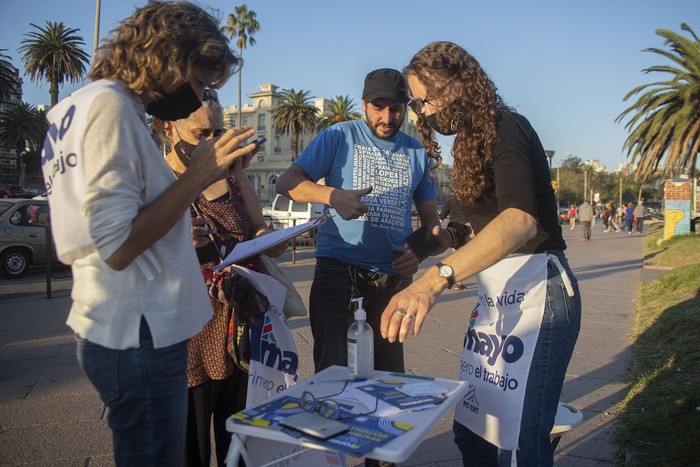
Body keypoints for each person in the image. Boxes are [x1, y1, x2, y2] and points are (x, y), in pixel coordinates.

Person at [40, 3, 257, 465]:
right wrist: (196, 177)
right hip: (138, 332)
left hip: (119, 325)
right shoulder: (110, 107)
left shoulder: (77, 108)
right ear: (168, 58)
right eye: (198, 83)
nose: (199, 98)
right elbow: (116, 246)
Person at [380, 42, 581, 467]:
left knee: (517, 443)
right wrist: (423, 248)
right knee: (474, 432)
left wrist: (436, 280)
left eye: (425, 98)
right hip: (498, 300)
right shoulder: (468, 144)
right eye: (418, 103)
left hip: (538, 294)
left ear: (460, 82)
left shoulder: (507, 127)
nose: (423, 112)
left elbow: (520, 220)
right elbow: (473, 227)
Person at [276, 68, 441, 376]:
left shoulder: (418, 151)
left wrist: (419, 252)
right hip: (338, 275)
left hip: (391, 284)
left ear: (406, 107)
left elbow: (433, 225)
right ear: (364, 105)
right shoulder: (339, 136)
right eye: (379, 107)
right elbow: (287, 183)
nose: (387, 117)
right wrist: (333, 196)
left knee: (388, 378)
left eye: (395, 108)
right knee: (334, 376)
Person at [158, 93, 287, 467]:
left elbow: (257, 227)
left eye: (218, 132)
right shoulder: (156, 177)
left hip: (241, 324)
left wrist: (271, 242)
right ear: (169, 128)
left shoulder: (235, 173)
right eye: (202, 133)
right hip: (189, 333)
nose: (212, 142)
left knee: (243, 443)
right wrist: (174, 239)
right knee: (190, 445)